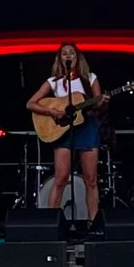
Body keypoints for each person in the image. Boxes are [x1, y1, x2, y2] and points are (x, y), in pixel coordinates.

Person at [27, 42, 104, 225]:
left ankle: (93, 224)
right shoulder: (53, 81)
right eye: (64, 53)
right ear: (60, 58)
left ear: (78, 57)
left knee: (91, 179)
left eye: (72, 53)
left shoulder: (90, 78)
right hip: (63, 131)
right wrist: (52, 112)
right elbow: (31, 103)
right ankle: (52, 223)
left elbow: (98, 103)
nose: (68, 55)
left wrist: (102, 102)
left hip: (87, 127)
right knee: (60, 178)